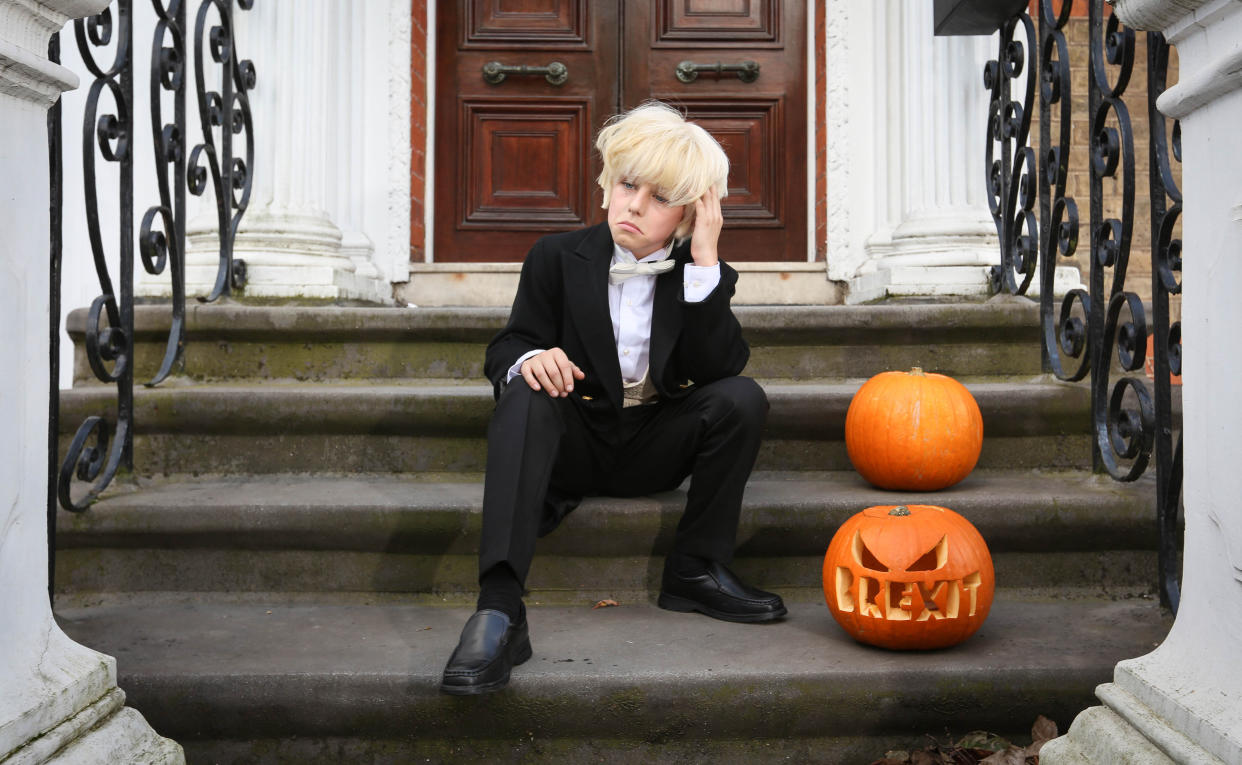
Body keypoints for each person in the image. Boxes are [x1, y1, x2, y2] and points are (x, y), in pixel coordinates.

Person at [439, 101, 785, 696]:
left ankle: (694, 569)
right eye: (629, 185)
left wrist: (704, 260)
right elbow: (509, 344)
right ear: (608, 185)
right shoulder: (555, 257)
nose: (635, 204)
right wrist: (531, 359)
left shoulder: (693, 274)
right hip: (574, 446)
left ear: (686, 215)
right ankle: (499, 609)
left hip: (654, 443)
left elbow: (720, 368)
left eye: (660, 197)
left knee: (742, 398)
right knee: (524, 386)